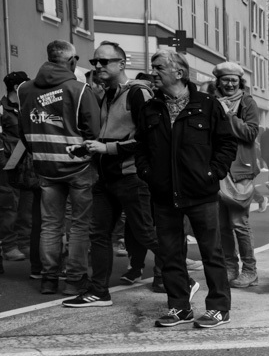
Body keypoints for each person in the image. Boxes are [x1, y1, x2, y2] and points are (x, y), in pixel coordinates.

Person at [135, 48, 237, 328]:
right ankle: (179, 307)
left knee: (211, 252)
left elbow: (226, 144)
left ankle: (218, 308)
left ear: (178, 72)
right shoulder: (150, 108)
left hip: (201, 192)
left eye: (158, 67)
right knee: (170, 252)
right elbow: (141, 147)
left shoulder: (207, 105)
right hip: (164, 193)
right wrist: (148, 173)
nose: (153, 72)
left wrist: (212, 172)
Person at [64, 41, 159, 307]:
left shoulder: (139, 93)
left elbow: (148, 141)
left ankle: (181, 278)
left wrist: (106, 147)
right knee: (99, 234)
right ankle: (99, 292)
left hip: (131, 177)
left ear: (121, 63)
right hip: (106, 177)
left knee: (145, 234)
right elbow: (109, 135)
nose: (98, 67)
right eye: (95, 62)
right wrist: (86, 147)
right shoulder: (108, 93)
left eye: (104, 62)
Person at [16, 41, 101, 296]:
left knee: (50, 224)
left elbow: (23, 130)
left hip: (44, 166)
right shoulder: (79, 89)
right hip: (79, 166)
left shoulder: (24, 90)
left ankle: (48, 279)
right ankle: (74, 280)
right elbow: (94, 132)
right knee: (79, 225)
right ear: (72, 61)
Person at [209, 62, 261, 289]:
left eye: (234, 80)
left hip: (240, 169)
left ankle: (250, 270)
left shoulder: (247, 102)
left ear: (240, 82)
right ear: (218, 81)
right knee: (222, 224)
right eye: (225, 80)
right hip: (217, 168)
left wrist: (229, 114)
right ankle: (230, 267)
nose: (230, 84)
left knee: (240, 223)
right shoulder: (209, 100)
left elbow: (250, 133)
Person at [0, 71, 30, 267]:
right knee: (9, 205)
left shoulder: (27, 108)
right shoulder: (1, 110)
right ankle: (9, 246)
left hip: (26, 164)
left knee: (27, 205)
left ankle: (24, 243)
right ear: (16, 88)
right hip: (7, 164)